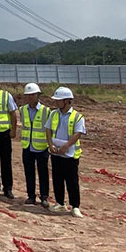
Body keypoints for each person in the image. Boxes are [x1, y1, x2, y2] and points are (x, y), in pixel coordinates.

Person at [45, 87, 87, 218]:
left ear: (67, 101)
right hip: (56, 153)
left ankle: (75, 206)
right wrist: (50, 144)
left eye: (58, 100)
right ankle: (60, 203)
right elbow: (48, 129)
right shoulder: (53, 114)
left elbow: (78, 133)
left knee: (72, 181)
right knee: (57, 179)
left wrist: (66, 146)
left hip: (70, 155)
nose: (56, 102)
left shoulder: (77, 117)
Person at [20, 83, 50, 207]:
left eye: (33, 95)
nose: (30, 97)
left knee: (43, 173)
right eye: (28, 95)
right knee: (29, 172)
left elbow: (49, 129)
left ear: (38, 95)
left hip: (41, 147)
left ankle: (44, 197)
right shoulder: (22, 110)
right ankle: (31, 196)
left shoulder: (46, 111)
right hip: (27, 146)